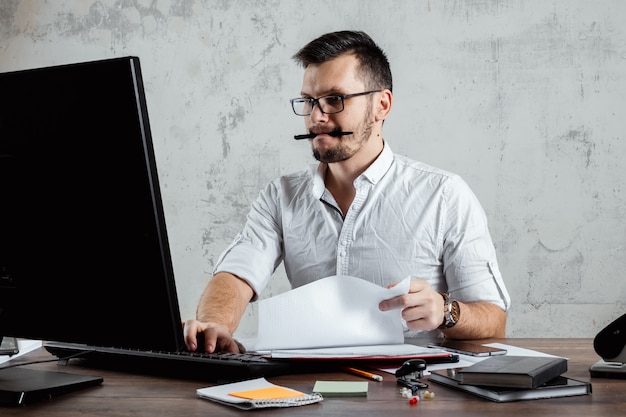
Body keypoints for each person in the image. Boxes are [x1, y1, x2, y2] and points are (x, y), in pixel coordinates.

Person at [184, 30, 511, 354]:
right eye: (309, 101)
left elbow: (493, 320)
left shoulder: (445, 195)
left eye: (334, 100)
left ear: (381, 105)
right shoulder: (280, 195)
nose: (316, 117)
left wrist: (445, 311)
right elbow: (236, 276)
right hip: (309, 389)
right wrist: (215, 325)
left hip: (411, 391)